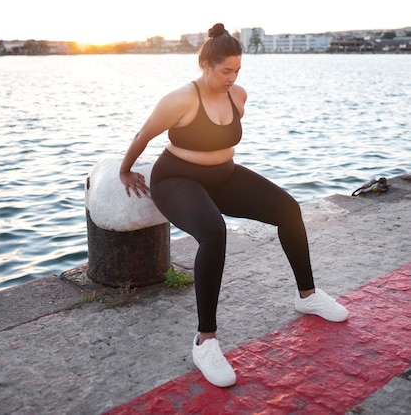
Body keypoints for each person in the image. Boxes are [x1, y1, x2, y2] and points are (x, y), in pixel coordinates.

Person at [119, 23, 348, 389]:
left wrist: (219, 167)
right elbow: (143, 135)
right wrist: (125, 170)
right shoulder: (179, 99)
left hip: (223, 176)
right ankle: (205, 341)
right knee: (213, 231)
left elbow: (220, 144)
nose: (232, 77)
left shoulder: (238, 95)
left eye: (237, 70)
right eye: (226, 70)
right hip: (176, 180)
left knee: (288, 209)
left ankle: (308, 296)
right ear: (206, 65)